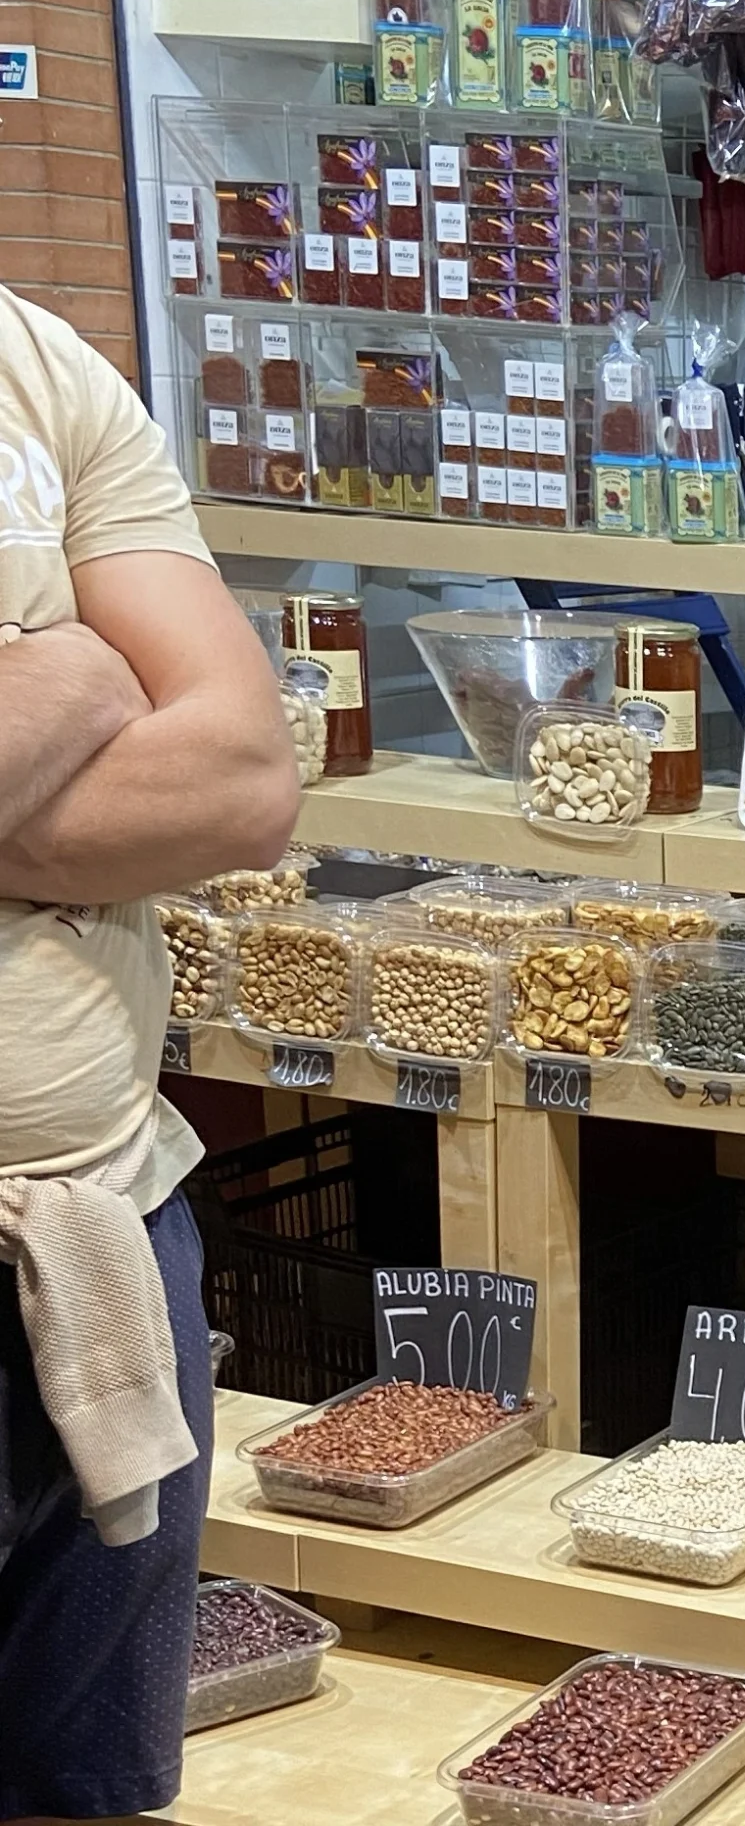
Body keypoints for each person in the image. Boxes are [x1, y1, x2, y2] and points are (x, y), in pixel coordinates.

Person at [0, 284, 301, 1824]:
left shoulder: (36, 361)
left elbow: (246, 777)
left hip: (107, 1227)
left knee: (82, 1784)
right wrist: (74, 675)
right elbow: (143, 708)